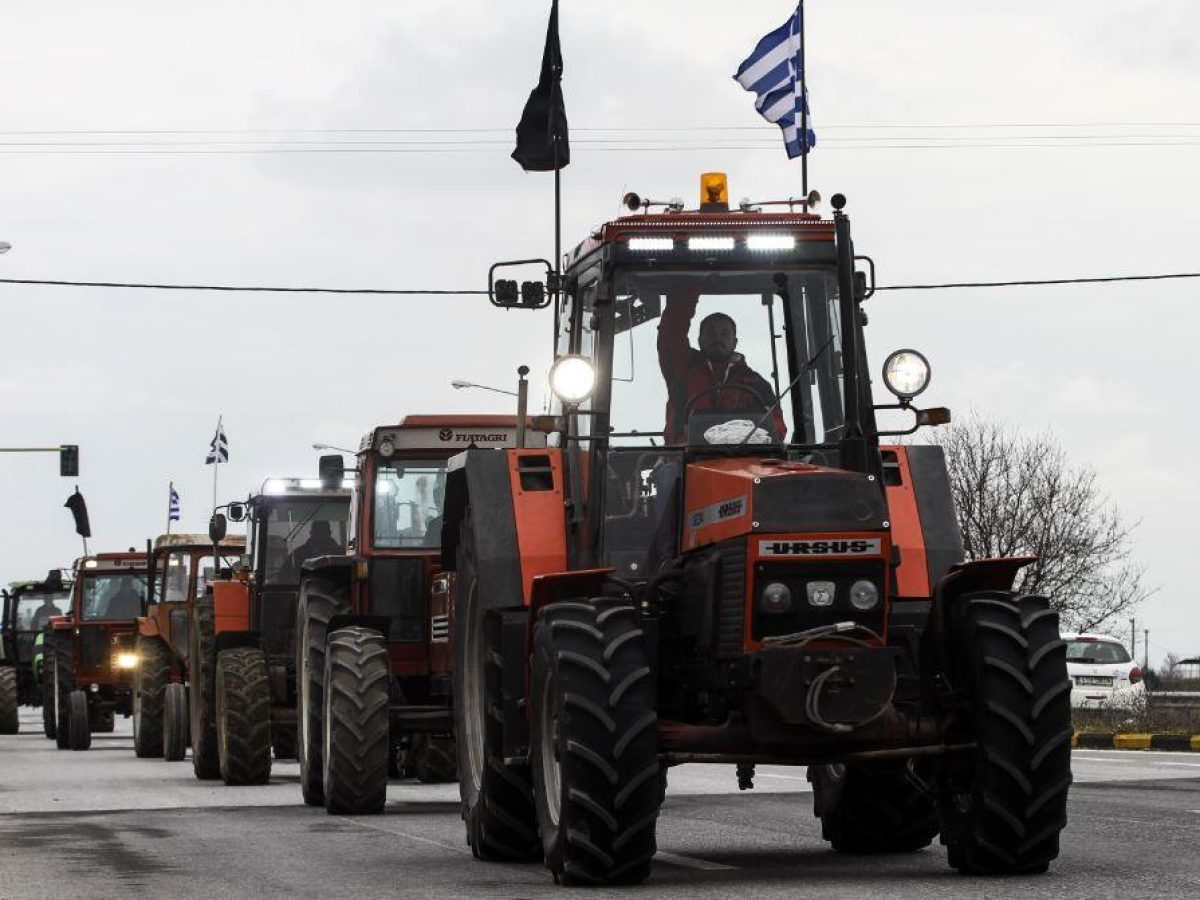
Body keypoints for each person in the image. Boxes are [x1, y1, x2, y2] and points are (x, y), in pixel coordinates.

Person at [656, 290, 786, 444]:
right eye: (710, 332)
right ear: (699, 340)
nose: (717, 338)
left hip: (746, 460)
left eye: (724, 333)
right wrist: (688, 283)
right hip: (685, 458)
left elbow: (776, 426)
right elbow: (672, 332)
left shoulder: (756, 383)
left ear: (735, 342)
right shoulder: (682, 370)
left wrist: (745, 440)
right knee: (669, 470)